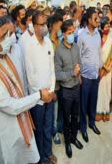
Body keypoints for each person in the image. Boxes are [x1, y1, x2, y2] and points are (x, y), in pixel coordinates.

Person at [0, 16, 53, 164]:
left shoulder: (4, 56)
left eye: (8, 33)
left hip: (22, 120)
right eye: (3, 36)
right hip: (7, 131)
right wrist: (38, 95)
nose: (9, 38)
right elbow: (10, 105)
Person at [24, 10, 57, 164]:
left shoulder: (49, 42)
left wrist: (51, 90)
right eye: (42, 24)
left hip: (49, 94)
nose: (46, 27)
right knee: (39, 129)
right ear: (34, 26)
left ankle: (48, 153)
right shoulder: (29, 46)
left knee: (48, 126)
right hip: (37, 98)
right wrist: (41, 93)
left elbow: (52, 69)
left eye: (46, 23)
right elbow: (30, 76)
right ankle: (41, 159)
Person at [55, 20, 83, 158]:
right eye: (70, 33)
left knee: (75, 116)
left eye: (73, 32)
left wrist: (79, 74)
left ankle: (73, 137)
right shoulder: (59, 51)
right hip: (66, 91)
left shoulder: (76, 47)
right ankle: (67, 142)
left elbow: (80, 64)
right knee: (66, 118)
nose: (72, 35)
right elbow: (58, 74)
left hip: (76, 87)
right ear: (64, 35)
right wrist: (72, 73)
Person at [77, 7, 102, 142]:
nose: (98, 20)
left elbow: (99, 52)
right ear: (88, 20)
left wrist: (100, 68)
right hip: (85, 77)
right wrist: (79, 75)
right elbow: (78, 56)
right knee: (83, 104)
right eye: (95, 18)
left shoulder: (98, 34)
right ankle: (83, 128)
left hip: (95, 75)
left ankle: (92, 123)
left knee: (93, 102)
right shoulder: (81, 36)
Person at [96, 17, 112, 121]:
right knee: (100, 91)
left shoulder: (111, 40)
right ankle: (98, 113)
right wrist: (104, 66)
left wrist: (109, 66)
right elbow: (97, 55)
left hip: (109, 70)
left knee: (107, 91)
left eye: (109, 26)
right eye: (106, 26)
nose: (108, 28)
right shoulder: (98, 39)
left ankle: (105, 112)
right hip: (101, 69)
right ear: (102, 27)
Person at [48, 14, 63, 145]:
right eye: (59, 25)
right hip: (53, 83)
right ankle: (55, 132)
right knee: (54, 109)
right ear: (52, 25)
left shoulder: (61, 39)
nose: (60, 27)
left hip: (63, 80)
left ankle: (59, 127)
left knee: (61, 108)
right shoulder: (47, 41)